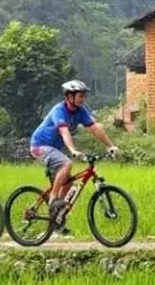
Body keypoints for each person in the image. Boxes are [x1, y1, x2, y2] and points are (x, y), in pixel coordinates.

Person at [29, 80, 119, 223]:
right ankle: (53, 199)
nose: (83, 99)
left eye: (84, 96)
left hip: (54, 149)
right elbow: (64, 132)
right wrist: (73, 150)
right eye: (80, 96)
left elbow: (94, 128)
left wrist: (110, 146)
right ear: (69, 97)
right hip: (39, 146)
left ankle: (56, 219)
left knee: (68, 182)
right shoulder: (58, 111)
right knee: (67, 163)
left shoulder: (81, 111)